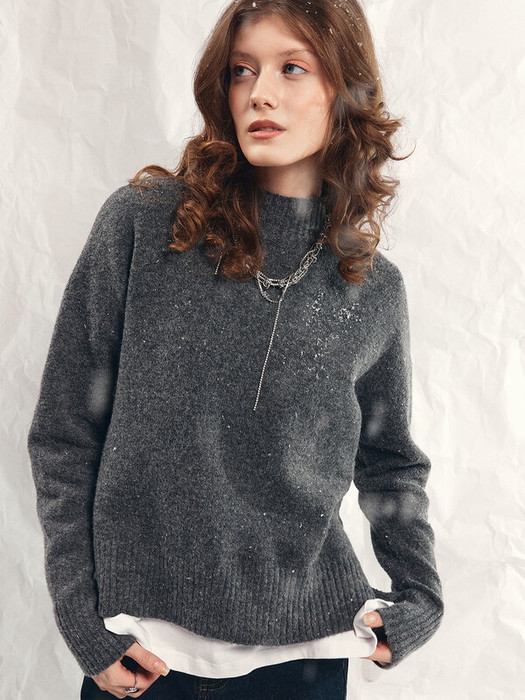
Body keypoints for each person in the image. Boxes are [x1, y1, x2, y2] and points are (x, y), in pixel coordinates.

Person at [27, 0, 444, 698]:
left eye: (291, 68)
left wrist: (420, 598)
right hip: (142, 658)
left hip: (303, 662)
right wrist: (82, 622)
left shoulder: (369, 288)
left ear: (345, 91)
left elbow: (391, 463)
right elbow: (64, 434)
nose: (259, 93)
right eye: (241, 70)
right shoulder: (146, 227)